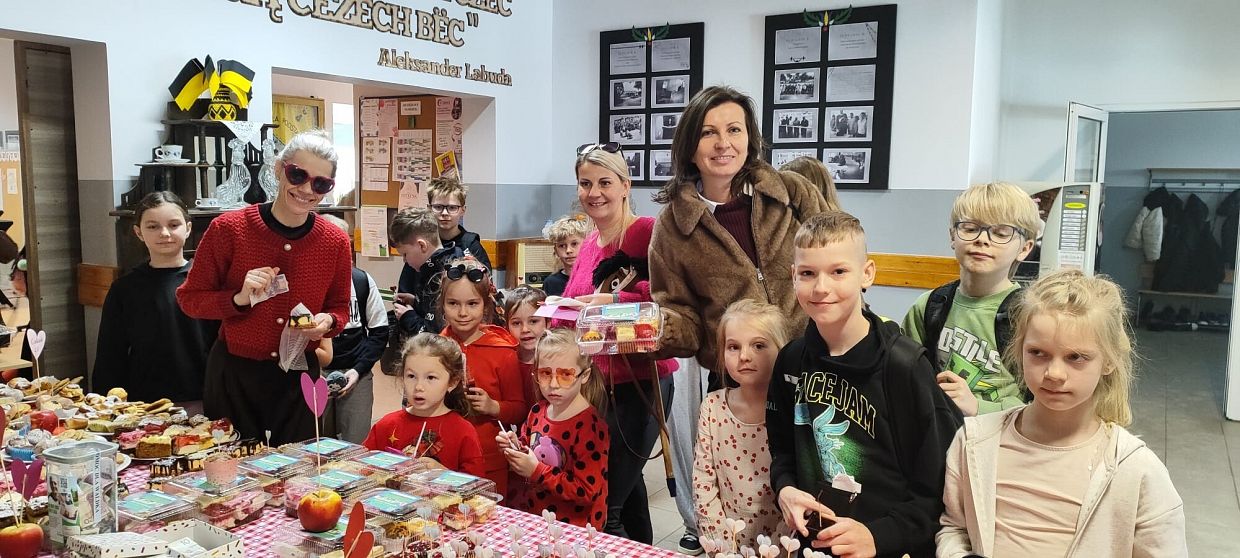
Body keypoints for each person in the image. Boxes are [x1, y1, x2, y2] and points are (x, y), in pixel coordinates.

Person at [648, 85, 832, 555]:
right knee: (749, 497)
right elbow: (680, 313)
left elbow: (836, 259)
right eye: (708, 133)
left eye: (734, 129)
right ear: (689, 146)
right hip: (738, 384)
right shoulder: (673, 225)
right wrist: (655, 329)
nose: (723, 143)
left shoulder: (791, 193)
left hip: (814, 370)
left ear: (750, 137)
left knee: (818, 497)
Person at [937, 270, 1187, 557]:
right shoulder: (974, 442)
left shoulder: (1137, 469)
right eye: (1038, 353)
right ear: (1019, 351)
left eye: (1075, 357)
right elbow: (954, 528)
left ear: (1109, 361)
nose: (1054, 373)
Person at [768, 211, 961, 558]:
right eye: (808, 273)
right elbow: (782, 449)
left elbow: (940, 483)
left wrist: (879, 537)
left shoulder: (904, 366)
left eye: (838, 271)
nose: (821, 287)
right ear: (793, 276)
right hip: (814, 546)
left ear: (867, 273)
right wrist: (785, 489)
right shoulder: (790, 360)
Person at [177, 130, 352, 445]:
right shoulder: (229, 229)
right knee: (232, 463)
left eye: (320, 184)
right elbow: (190, 299)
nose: (306, 189)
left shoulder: (335, 241)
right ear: (278, 169)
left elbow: (339, 307)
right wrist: (238, 299)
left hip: (299, 374)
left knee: (299, 464)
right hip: (235, 373)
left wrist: (327, 322)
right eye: (297, 175)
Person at [555, 142, 677, 544]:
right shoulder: (590, 242)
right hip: (597, 384)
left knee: (606, 506)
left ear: (625, 185)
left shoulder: (647, 232)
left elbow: (667, 297)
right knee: (630, 491)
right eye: (585, 183)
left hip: (640, 384)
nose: (594, 193)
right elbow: (574, 301)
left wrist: (613, 299)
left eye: (604, 182)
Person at [902, 182, 1041, 417]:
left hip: (1002, 434)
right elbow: (904, 376)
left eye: (1000, 233)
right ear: (952, 236)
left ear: (1025, 248)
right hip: (940, 431)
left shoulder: (1029, 316)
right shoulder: (929, 306)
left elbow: (1043, 399)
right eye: (969, 228)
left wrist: (978, 408)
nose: (982, 240)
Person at [93, 192, 217, 413]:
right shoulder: (125, 289)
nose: (165, 233)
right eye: (153, 226)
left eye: (174, 225)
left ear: (188, 228)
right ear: (138, 232)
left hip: (204, 397)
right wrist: (107, 406)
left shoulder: (208, 282)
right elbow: (110, 354)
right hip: (144, 404)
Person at [693, 300, 787, 546]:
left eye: (758, 345)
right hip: (728, 542)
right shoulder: (712, 407)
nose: (744, 356)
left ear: (782, 350)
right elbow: (703, 483)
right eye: (733, 347)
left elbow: (800, 488)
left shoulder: (792, 411)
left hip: (784, 543)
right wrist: (723, 546)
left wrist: (778, 548)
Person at [498, 329, 609, 529]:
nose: (554, 384)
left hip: (576, 529)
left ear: (584, 375)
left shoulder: (590, 427)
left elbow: (586, 491)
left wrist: (536, 471)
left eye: (566, 375)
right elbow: (530, 448)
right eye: (545, 374)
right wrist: (515, 446)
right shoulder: (537, 411)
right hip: (539, 518)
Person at [438, 256, 527, 496]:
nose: (462, 312)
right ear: (442, 304)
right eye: (453, 303)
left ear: (485, 305)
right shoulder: (435, 348)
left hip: (489, 458)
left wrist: (493, 406)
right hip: (444, 454)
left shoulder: (503, 352)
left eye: (472, 304)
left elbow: (519, 408)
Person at [363, 332, 485, 477]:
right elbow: (362, 467)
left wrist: (443, 474)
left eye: (431, 377)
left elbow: (477, 484)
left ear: (452, 382)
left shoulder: (463, 431)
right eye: (411, 376)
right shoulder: (386, 425)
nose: (419, 386)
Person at [318, 214, 389, 443]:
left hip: (356, 371)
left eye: (345, 245)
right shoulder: (306, 283)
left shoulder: (362, 281)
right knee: (317, 440)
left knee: (357, 442)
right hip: (315, 373)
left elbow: (379, 332)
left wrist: (359, 370)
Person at [383, 207, 456, 375]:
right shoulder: (439, 265)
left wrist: (408, 316)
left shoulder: (443, 275)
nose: (405, 260)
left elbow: (435, 335)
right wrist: (416, 302)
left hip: (442, 365)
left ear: (422, 245)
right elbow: (433, 311)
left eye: (405, 254)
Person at [426, 176, 491, 270]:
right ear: (429, 209)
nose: (445, 213)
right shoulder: (422, 243)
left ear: (463, 210)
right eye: (438, 207)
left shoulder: (470, 245)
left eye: (452, 208)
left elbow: (487, 277)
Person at [502, 285, 548, 405]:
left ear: (548, 322)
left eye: (533, 321)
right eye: (516, 323)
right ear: (507, 327)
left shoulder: (557, 361)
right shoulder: (505, 364)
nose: (525, 329)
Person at [541, 214, 591, 297]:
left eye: (574, 244)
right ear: (556, 250)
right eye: (562, 246)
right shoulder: (550, 283)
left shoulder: (594, 278)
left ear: (586, 245)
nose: (568, 250)